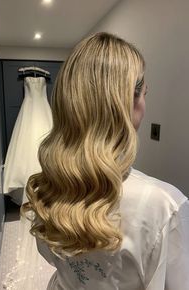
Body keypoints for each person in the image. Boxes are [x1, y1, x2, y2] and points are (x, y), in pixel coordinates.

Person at [23, 32, 189, 289]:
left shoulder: (47, 185)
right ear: (127, 104)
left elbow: (49, 255)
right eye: (144, 93)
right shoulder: (164, 205)